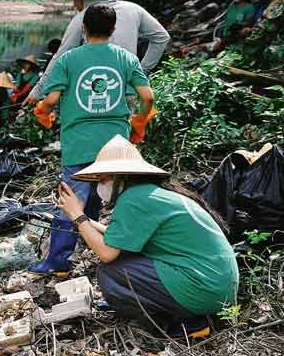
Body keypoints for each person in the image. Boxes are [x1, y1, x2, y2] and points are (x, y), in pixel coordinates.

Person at [58, 135, 238, 336]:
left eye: (104, 178)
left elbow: (107, 253)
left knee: (109, 273)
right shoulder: (148, 194)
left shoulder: (134, 199)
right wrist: (84, 219)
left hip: (202, 288)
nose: (101, 185)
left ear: (121, 177)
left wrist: (78, 216)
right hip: (217, 287)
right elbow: (119, 239)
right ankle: (190, 314)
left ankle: (185, 324)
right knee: (124, 259)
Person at [29, 3, 156, 277]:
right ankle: (116, 256)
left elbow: (50, 100)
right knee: (120, 199)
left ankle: (58, 263)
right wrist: (138, 121)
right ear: (112, 29)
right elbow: (148, 98)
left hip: (78, 143)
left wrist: (44, 112)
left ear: (84, 29)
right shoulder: (126, 59)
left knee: (71, 199)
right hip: (116, 148)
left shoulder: (67, 60)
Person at [27, 0, 169, 103]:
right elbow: (162, 37)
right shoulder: (134, 9)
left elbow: (60, 57)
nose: (74, 3)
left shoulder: (81, 18)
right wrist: (141, 72)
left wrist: (38, 90)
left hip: (93, 92)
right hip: (127, 89)